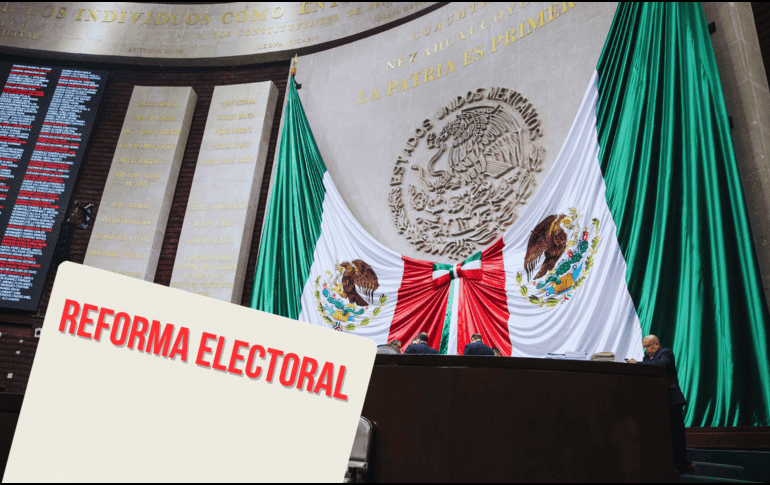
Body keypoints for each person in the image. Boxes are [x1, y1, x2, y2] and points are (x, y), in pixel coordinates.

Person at [628, 335, 695, 474]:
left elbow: (659, 366)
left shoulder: (666, 353)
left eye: (649, 346)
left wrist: (637, 364)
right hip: (657, 401)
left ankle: (681, 463)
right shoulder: (646, 358)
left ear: (657, 344)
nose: (646, 350)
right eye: (644, 347)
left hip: (672, 400)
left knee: (676, 434)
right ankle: (676, 463)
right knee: (664, 433)